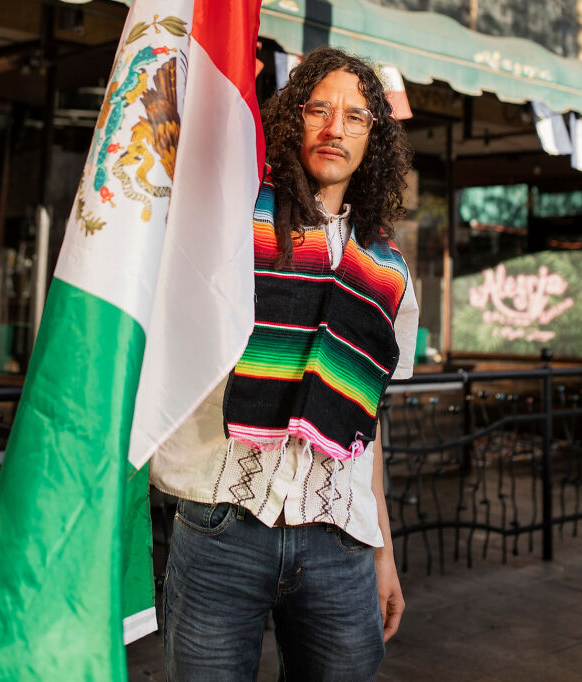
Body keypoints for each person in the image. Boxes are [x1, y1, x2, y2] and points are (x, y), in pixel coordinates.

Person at [151, 46, 419, 682]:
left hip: (339, 539)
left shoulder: (389, 271)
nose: (334, 128)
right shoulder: (227, 223)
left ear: (373, 139)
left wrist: (384, 551)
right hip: (221, 525)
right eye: (318, 109)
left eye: (355, 117)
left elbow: (367, 423)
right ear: (290, 119)